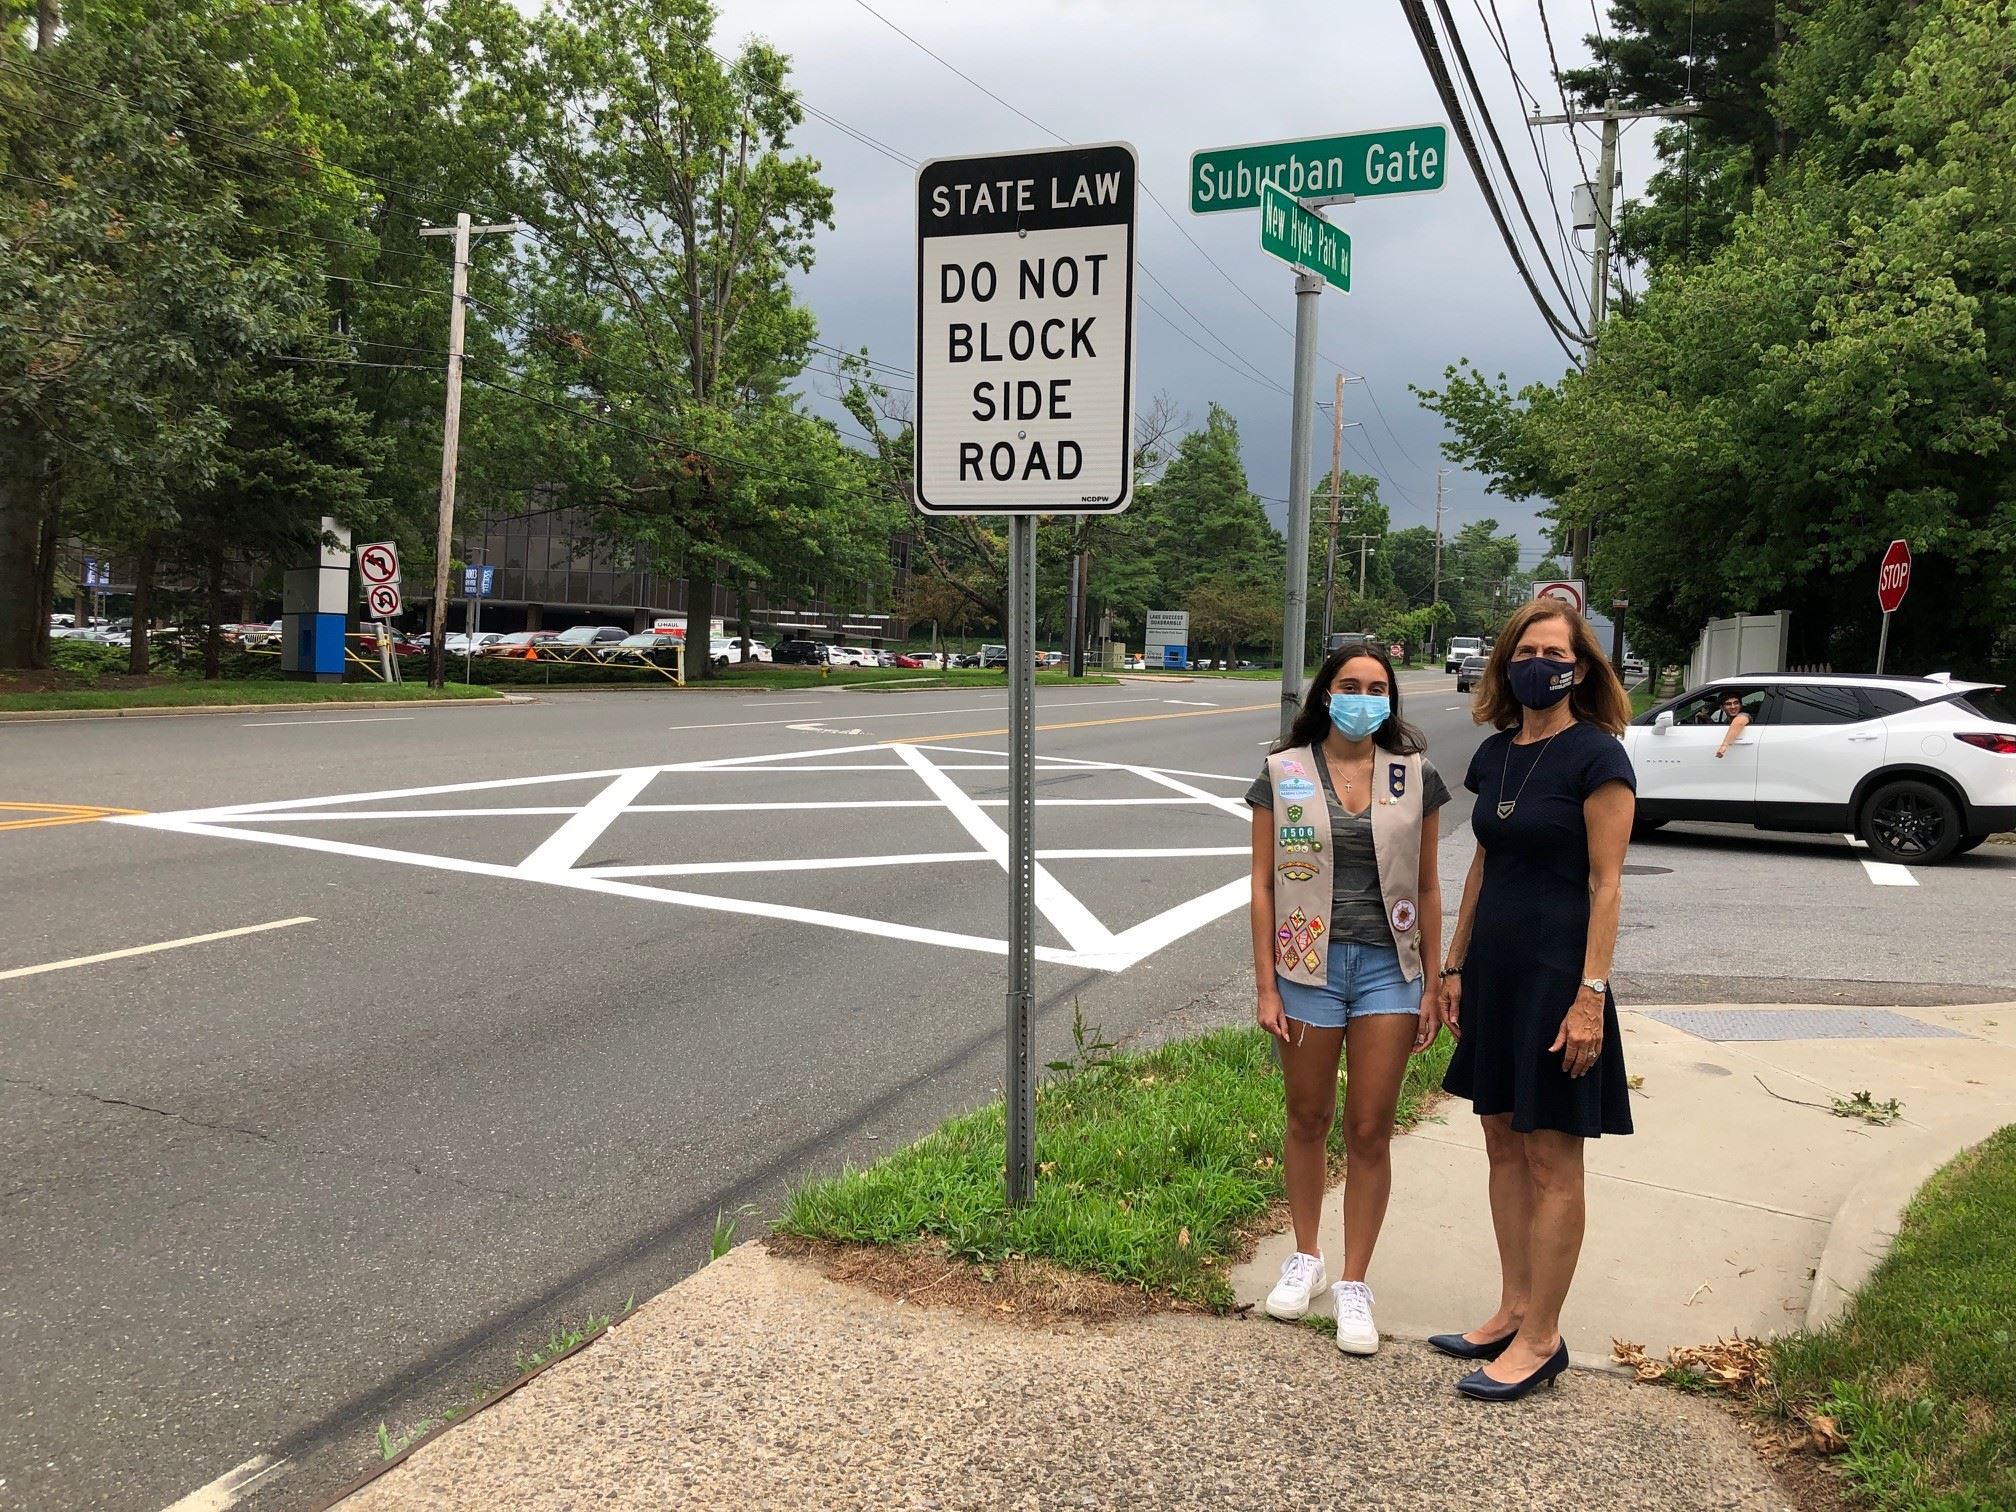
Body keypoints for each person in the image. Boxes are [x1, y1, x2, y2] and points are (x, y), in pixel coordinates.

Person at [1433, 597, 1636, 1401]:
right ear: (1504, 662)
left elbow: (1608, 883)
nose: (1539, 663)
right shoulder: (1495, 756)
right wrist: (1454, 966)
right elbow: (1484, 864)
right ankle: (1514, 1305)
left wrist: (1591, 996)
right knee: (1499, 1140)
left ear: (1580, 668)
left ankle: (1544, 1337)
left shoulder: (1599, 758)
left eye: (1555, 652)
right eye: (1525, 650)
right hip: (1495, 972)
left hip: (1559, 976)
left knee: (1552, 1155)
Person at [1247, 644, 1449, 1355]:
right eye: (1349, 685)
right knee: (1307, 1117)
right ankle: (1305, 1257)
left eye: (1376, 687)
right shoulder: (1285, 773)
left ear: (1390, 699)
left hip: (1389, 970)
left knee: (1369, 1128)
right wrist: (1266, 983)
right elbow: (1264, 884)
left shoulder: (1414, 777)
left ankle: (1355, 1283)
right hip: (1307, 968)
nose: (1363, 697)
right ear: (1325, 694)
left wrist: (1430, 978)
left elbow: (1427, 885)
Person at [1713, 690, 1752, 759]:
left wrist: (1724, 745)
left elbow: (1739, 722)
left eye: (1736, 703)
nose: (1733, 707)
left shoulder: (1745, 715)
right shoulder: (1726, 721)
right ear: (1722, 708)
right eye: (1728, 704)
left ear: (1741, 705)